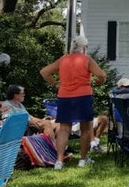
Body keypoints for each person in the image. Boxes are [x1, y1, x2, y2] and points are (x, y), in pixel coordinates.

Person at [40, 35, 107, 170]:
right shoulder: (87, 60)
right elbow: (102, 75)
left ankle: (59, 161)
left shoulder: (63, 60)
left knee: (64, 129)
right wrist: (98, 84)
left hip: (64, 96)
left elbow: (44, 72)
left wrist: (56, 84)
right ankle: (82, 159)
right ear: (84, 48)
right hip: (83, 96)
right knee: (86, 129)